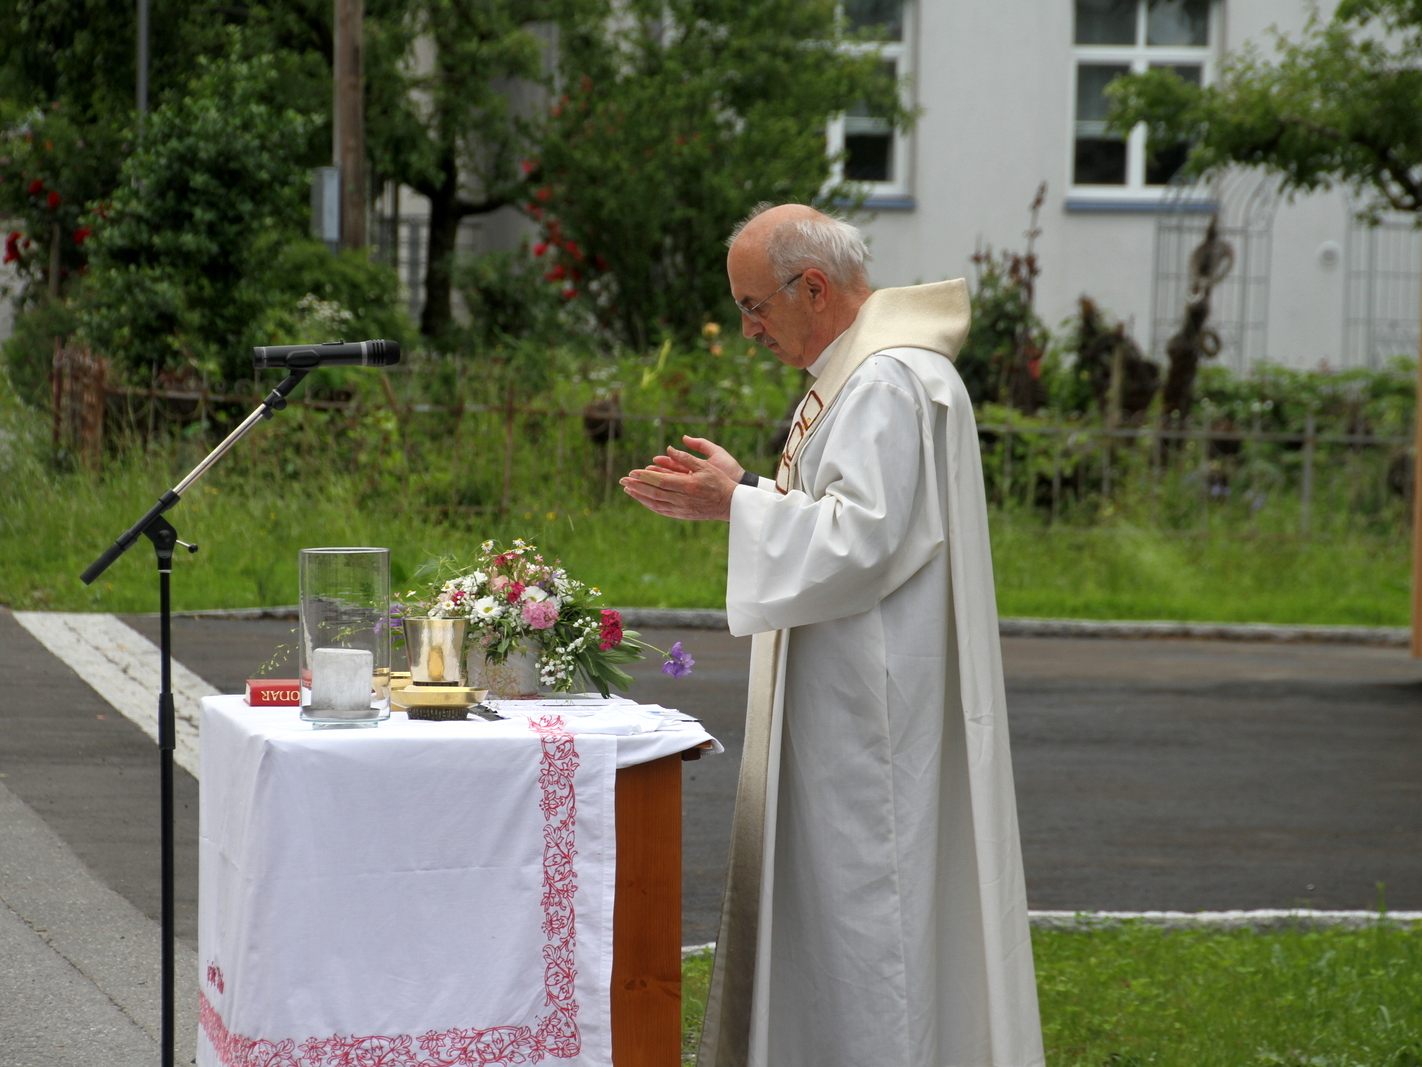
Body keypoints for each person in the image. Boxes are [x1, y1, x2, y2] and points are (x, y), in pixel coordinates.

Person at [620, 203, 1044, 1067]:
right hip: (862, 694)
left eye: (754, 306)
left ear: (812, 285)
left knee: (869, 919)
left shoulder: (886, 379)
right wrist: (749, 490)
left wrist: (734, 504)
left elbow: (861, 537)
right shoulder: (864, 373)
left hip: (869, 720)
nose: (748, 329)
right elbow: (846, 518)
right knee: (846, 917)